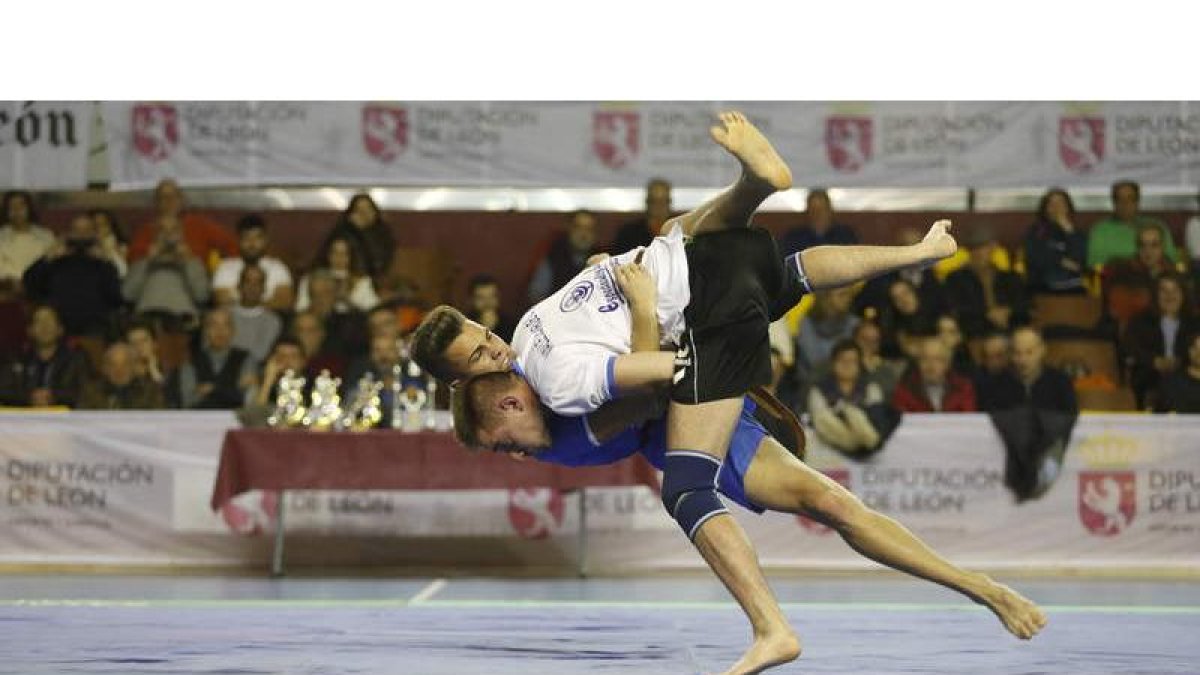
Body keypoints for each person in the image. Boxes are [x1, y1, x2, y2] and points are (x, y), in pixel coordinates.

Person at [411, 113, 973, 672]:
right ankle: (810, 212)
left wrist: (627, 293)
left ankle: (772, 629)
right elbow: (639, 371)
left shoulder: (545, 372)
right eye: (482, 354)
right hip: (704, 294)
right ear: (463, 381)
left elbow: (657, 378)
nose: (496, 347)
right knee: (755, 268)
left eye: (486, 336)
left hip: (698, 335)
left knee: (685, 488)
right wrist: (618, 283)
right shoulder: (545, 388)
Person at [453, 370, 1046, 644]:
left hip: (694, 402)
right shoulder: (548, 424)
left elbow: (656, 370)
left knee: (828, 501)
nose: (513, 458)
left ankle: (980, 587)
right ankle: (770, 627)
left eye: (504, 444)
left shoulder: (554, 376)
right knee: (725, 495)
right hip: (676, 426)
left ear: (510, 404)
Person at [983, 327, 1079, 500]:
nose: (1022, 360)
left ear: (1042, 351)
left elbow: (1069, 420)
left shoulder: (1060, 383)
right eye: (1017, 353)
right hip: (1005, 462)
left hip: (1053, 461)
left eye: (1029, 353)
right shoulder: (996, 384)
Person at [22, 213, 124, 338]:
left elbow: (115, 297)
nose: (81, 236)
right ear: (68, 233)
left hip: (94, 325)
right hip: (58, 325)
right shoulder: (55, 261)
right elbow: (29, 284)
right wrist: (48, 257)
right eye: (77, 231)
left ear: (94, 234)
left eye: (86, 231)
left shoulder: (102, 263)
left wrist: (106, 260)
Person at [1124, 273, 1200, 410]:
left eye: (1175, 290)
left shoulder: (1195, 323)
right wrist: (1154, 361)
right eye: (1163, 290)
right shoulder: (1140, 322)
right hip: (1150, 376)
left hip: (1188, 379)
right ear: (1155, 295)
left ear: (1183, 295)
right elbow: (1130, 349)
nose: (1169, 296)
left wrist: (1180, 362)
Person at [807, 339, 896, 456]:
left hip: (865, 432)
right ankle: (854, 445)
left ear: (859, 364)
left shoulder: (871, 388)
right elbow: (820, 420)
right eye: (842, 360)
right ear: (833, 363)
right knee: (823, 418)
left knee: (855, 414)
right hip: (833, 442)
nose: (847, 365)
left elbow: (877, 416)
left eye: (852, 361)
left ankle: (865, 443)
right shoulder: (819, 389)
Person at [123, 218, 212, 331]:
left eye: (173, 230)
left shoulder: (193, 263)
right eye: (162, 230)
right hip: (147, 320)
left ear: (181, 235)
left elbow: (202, 296)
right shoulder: (142, 262)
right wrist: (148, 261)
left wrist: (187, 261)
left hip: (182, 320)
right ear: (155, 234)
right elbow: (127, 295)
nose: (168, 235)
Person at [127, 179, 238, 267]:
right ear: (156, 203)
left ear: (182, 200)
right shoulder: (146, 231)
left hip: (193, 287)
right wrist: (152, 252)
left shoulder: (200, 225)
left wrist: (222, 274)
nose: (169, 202)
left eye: (173, 197)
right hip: (155, 287)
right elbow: (132, 262)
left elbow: (232, 246)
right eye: (163, 198)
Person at [944, 226, 1031, 338]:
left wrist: (1008, 311)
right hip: (974, 332)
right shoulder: (955, 279)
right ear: (968, 251)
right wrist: (987, 314)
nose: (979, 252)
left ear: (993, 248)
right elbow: (956, 309)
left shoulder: (1010, 277)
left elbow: (1025, 305)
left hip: (1010, 331)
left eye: (983, 247)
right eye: (974, 248)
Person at [166, 307, 257, 409]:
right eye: (214, 325)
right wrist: (232, 389)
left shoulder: (246, 359)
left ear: (233, 331)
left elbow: (247, 399)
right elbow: (188, 402)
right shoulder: (191, 361)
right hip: (200, 421)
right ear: (205, 331)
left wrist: (212, 390)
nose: (220, 331)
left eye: (226, 325)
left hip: (236, 420)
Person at [0, 305, 88, 408]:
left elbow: (85, 392)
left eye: (50, 321)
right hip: (23, 419)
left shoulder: (76, 359)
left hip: (66, 420)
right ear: (30, 330)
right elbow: (3, 390)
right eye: (39, 322)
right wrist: (29, 397)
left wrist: (53, 397)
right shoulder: (17, 359)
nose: (45, 326)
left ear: (60, 329)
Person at [853, 226, 947, 320]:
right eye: (908, 247)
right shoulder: (881, 276)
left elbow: (941, 308)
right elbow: (860, 305)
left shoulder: (931, 277)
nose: (915, 254)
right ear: (899, 249)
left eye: (918, 247)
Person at [1102, 223, 1176, 334]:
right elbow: (1117, 311)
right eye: (1143, 245)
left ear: (1163, 247)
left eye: (1154, 245)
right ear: (1137, 248)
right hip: (1121, 333)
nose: (1148, 251)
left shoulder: (1173, 276)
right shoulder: (1123, 272)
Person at [212, 214, 295, 312]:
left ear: (265, 240)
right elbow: (223, 301)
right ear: (239, 240)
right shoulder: (225, 267)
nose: (252, 244)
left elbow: (285, 302)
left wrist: (246, 304)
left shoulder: (277, 267)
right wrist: (267, 303)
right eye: (246, 238)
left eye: (257, 238)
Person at [1087, 179, 1178, 269]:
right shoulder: (1101, 230)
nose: (1125, 204)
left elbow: (1171, 261)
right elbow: (1095, 265)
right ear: (1113, 203)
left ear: (1138, 201)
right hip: (1117, 279)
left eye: (1130, 198)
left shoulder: (1156, 226)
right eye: (1120, 199)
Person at [526, 209, 602, 304]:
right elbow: (536, 294)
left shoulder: (603, 261)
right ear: (569, 229)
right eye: (578, 227)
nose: (583, 234)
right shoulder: (553, 257)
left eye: (589, 229)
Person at [1024, 188, 1087, 294]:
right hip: (1043, 288)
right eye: (1052, 203)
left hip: (1073, 288)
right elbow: (1035, 257)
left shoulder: (1077, 232)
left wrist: (1069, 231)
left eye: (1061, 203)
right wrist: (1061, 261)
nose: (1056, 207)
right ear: (1046, 209)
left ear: (1068, 207)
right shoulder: (1036, 231)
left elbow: (1081, 260)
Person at [319, 192, 395, 280]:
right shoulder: (342, 232)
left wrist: (362, 233)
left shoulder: (384, 234)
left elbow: (377, 265)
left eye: (368, 209)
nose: (364, 214)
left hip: (373, 280)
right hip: (341, 278)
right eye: (358, 210)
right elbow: (325, 258)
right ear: (350, 214)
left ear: (375, 212)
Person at [892, 337, 977, 413]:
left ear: (947, 363)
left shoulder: (963, 387)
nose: (930, 366)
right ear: (918, 362)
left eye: (937, 359)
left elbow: (967, 421)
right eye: (925, 359)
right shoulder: (905, 389)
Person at [296, 235, 379, 313]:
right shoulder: (309, 279)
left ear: (351, 257)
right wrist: (321, 298)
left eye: (344, 254)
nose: (339, 258)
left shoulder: (362, 281)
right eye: (335, 253)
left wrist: (346, 299)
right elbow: (300, 309)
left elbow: (373, 310)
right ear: (328, 255)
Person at [77, 342, 165, 410]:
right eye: (113, 365)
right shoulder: (91, 393)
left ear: (134, 367)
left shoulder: (150, 392)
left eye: (125, 364)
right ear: (105, 369)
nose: (119, 371)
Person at [795, 285, 859, 373]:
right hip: (811, 379)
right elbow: (813, 360)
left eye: (849, 295)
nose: (847, 299)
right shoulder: (807, 324)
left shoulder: (854, 323)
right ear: (826, 297)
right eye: (842, 295)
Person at [0, 190, 54, 292]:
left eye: (21, 206)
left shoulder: (46, 236)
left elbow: (50, 266)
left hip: (40, 289)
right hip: (7, 289)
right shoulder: (1, 237)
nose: (17, 211)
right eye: (12, 207)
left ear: (29, 208)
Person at [229, 265, 283, 365]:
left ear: (264, 288)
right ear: (239, 286)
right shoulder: (224, 316)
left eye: (258, 283)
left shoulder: (272, 321)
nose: (252, 287)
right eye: (248, 281)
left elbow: (261, 354)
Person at [779, 188, 858, 255]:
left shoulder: (845, 235)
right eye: (814, 210)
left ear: (829, 211)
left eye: (821, 210)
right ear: (807, 212)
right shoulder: (794, 237)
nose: (818, 214)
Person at [609, 177, 672, 254]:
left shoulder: (680, 231)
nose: (658, 206)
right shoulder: (628, 233)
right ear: (647, 202)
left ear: (669, 203)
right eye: (653, 201)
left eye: (663, 201)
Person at [252, 336, 311, 408]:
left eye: (294, 356)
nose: (287, 361)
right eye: (282, 356)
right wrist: (268, 380)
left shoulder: (313, 386)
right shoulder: (262, 385)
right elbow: (255, 413)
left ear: (303, 361)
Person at [1156, 331, 1200, 413]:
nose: (1199, 353)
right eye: (1195, 348)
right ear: (1189, 351)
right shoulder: (1171, 382)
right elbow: (1159, 416)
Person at [466, 274, 518, 343]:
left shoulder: (511, 325)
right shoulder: (465, 327)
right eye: (481, 298)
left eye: (492, 296)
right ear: (471, 300)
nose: (487, 302)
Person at [972, 330, 1013, 411]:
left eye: (999, 356)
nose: (994, 362)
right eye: (989, 357)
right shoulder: (975, 380)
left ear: (1009, 355)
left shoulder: (1017, 377)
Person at [89, 208, 129, 278]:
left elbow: (122, 272)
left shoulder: (121, 246)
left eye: (103, 225)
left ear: (111, 226)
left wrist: (109, 250)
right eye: (95, 226)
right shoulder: (87, 248)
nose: (100, 229)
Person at [125, 320, 165, 386]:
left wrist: (153, 370)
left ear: (155, 343)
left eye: (143, 341)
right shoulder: (124, 373)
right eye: (133, 343)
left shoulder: (168, 371)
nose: (139, 346)